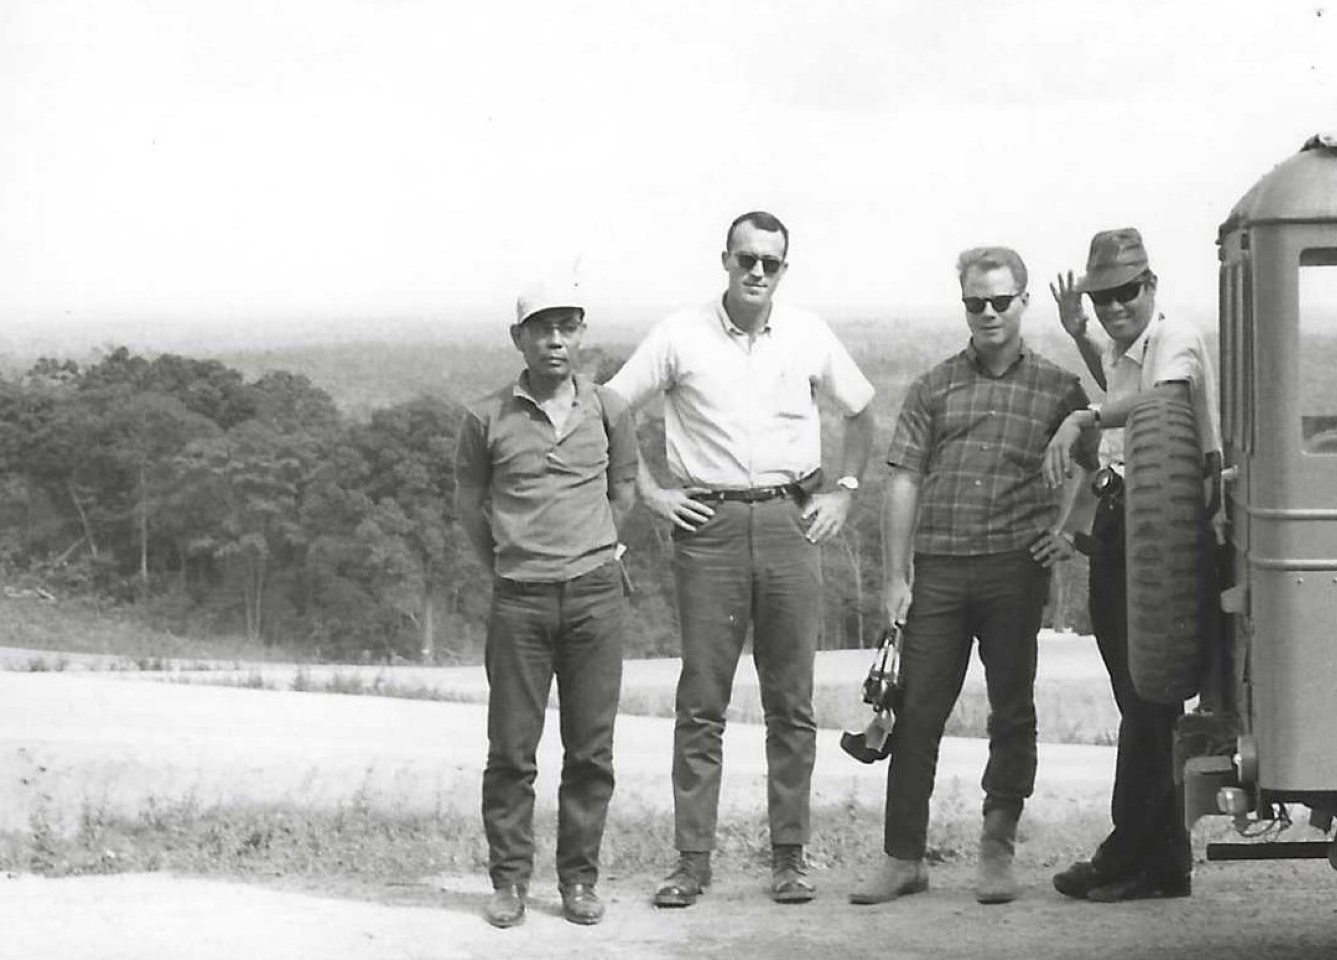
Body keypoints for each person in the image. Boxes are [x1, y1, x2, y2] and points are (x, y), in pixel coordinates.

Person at [606, 211, 876, 907]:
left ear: (785, 269)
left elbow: (862, 411)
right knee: (702, 701)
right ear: (724, 259)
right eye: (747, 259)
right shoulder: (679, 334)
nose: (758, 272)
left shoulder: (809, 333)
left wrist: (844, 491)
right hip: (709, 526)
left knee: (792, 702)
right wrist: (648, 493)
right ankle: (691, 863)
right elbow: (612, 404)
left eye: (772, 263)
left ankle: (789, 859)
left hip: (792, 520)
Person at [849, 246, 1095, 907]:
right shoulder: (933, 386)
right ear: (964, 304)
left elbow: (1101, 458)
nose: (987, 313)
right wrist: (894, 577)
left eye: (999, 300)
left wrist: (1069, 531)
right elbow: (901, 479)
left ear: (1023, 302)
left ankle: (997, 850)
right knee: (915, 712)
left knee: (1012, 710)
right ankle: (903, 858)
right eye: (974, 302)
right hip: (940, 571)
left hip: (1015, 568)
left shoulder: (1056, 388)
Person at [454, 277, 638, 928]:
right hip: (520, 601)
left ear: (580, 334)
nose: (554, 339)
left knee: (591, 751)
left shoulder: (610, 409)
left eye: (566, 326)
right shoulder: (485, 416)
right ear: (518, 338)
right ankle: (509, 882)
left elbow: (623, 493)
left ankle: (578, 882)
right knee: (511, 750)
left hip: (593, 596)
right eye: (540, 327)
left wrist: (588, 553)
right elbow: (471, 508)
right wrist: (512, 564)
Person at [1042, 227, 1220, 902]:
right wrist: (1079, 334)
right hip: (1125, 522)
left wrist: (1079, 418)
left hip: (1165, 531)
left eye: (1125, 294)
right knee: (1137, 698)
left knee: (1149, 700)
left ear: (1152, 287)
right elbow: (1121, 374)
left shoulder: (1177, 340)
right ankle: (1162, 858)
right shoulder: (1130, 347)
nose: (1114, 308)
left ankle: (1128, 851)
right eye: (1103, 297)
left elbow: (1155, 401)